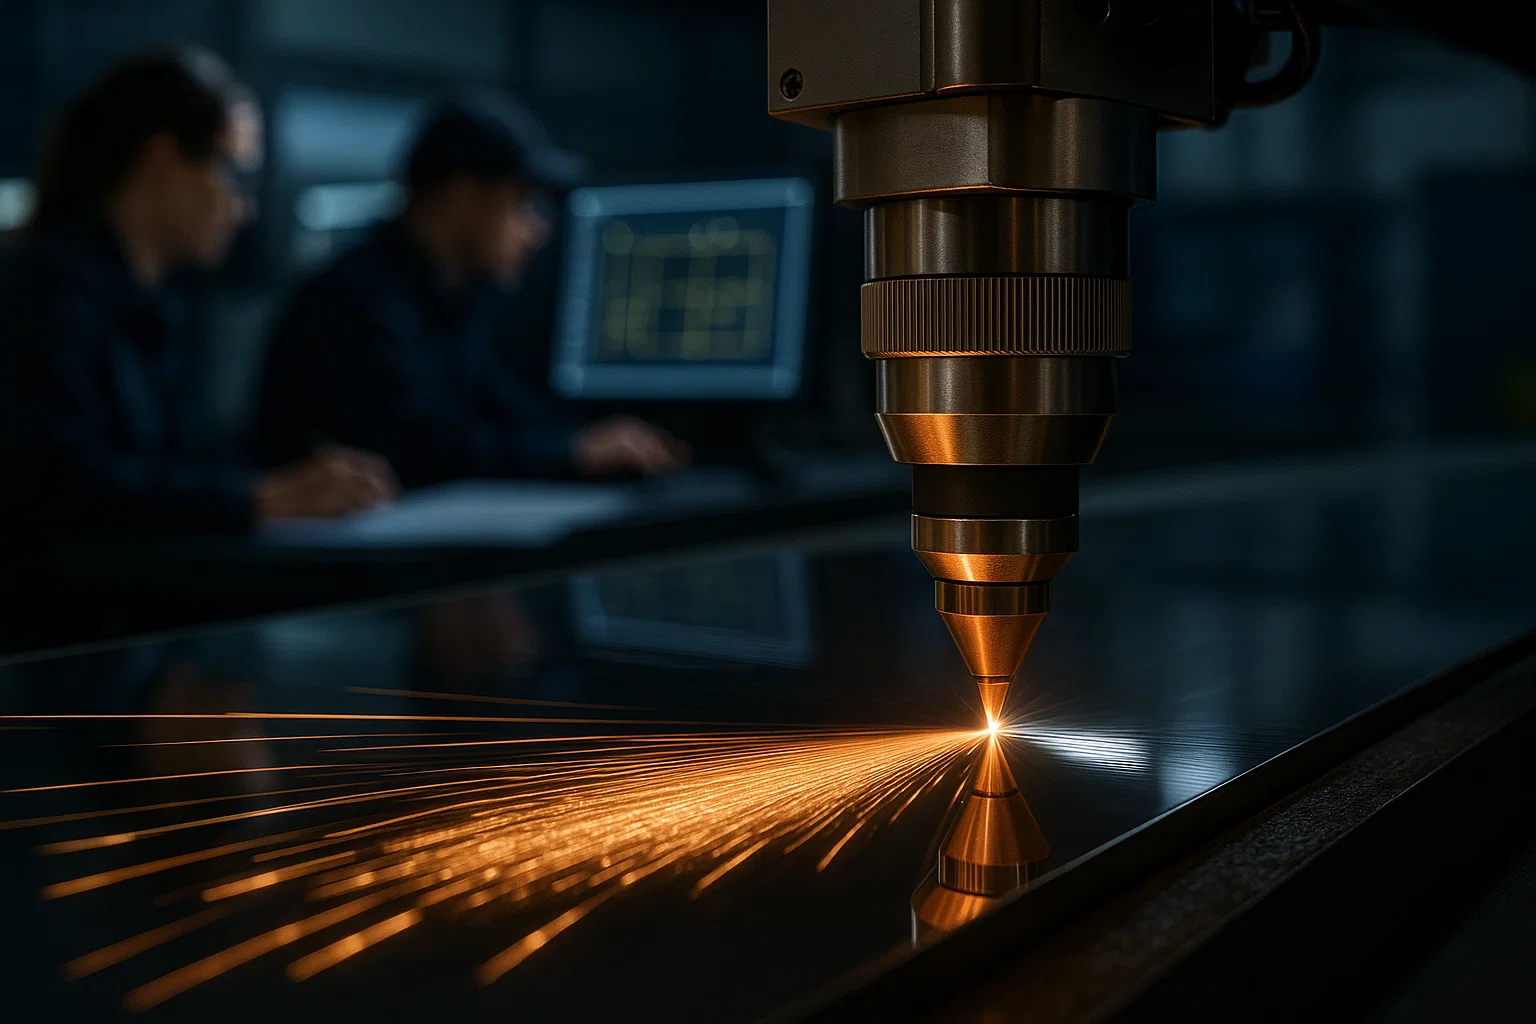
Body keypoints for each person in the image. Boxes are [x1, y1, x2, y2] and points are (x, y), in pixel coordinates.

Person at [0, 47, 399, 538]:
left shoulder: (155, 299)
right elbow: (60, 486)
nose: (242, 206)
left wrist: (291, 477)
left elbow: (173, 463)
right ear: (162, 157)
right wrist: (260, 497)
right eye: (232, 172)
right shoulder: (50, 293)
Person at [251, 96, 689, 488]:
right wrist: (573, 452)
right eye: (521, 204)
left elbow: (498, 406)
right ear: (462, 195)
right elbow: (421, 449)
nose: (536, 231)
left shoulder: (455, 295)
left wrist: (589, 439)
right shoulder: (356, 301)